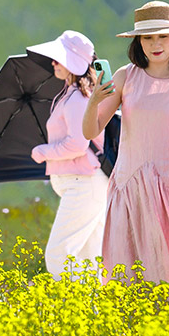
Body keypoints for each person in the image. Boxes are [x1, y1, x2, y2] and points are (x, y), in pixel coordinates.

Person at [82, 1, 169, 297]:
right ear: (138, 41)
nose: (156, 44)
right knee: (126, 280)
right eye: (148, 37)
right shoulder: (126, 76)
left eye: (163, 36)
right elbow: (90, 131)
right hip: (129, 188)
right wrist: (92, 101)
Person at [28, 30, 108, 279]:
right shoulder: (72, 95)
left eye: (58, 58)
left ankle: (70, 312)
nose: (53, 62)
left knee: (59, 254)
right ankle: (90, 315)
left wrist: (42, 152)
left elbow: (78, 144)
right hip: (83, 185)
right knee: (87, 260)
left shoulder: (77, 98)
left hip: (83, 184)